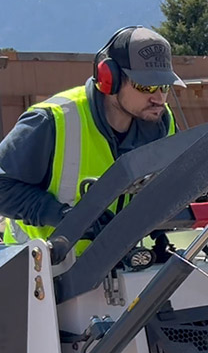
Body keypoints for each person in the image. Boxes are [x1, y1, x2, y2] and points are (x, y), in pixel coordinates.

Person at [0, 26, 185, 251]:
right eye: (145, 86)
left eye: (164, 86)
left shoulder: (163, 124)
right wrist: (68, 218)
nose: (159, 98)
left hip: (118, 266)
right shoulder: (52, 121)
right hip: (39, 268)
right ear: (110, 79)